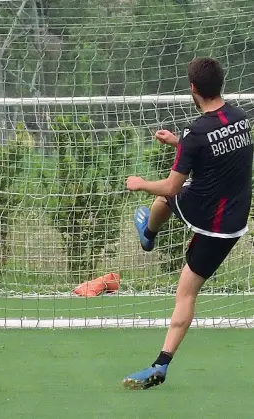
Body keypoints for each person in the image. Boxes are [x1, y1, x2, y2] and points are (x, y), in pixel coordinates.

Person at [123, 57, 253, 389]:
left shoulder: (197, 131)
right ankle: (149, 234)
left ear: (192, 88)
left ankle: (148, 235)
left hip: (211, 219)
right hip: (235, 215)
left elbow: (171, 186)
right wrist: (178, 143)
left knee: (185, 290)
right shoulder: (240, 118)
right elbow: (213, 148)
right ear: (220, 84)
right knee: (164, 206)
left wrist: (140, 182)